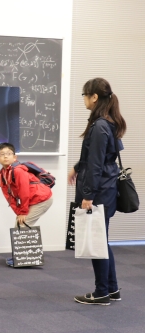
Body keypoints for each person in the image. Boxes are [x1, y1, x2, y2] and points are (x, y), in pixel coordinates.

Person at [68, 77, 126, 305]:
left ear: (94, 97)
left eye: (85, 94)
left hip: (99, 191)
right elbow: (104, 156)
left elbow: (96, 164)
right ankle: (111, 289)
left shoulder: (100, 126)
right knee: (102, 239)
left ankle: (101, 292)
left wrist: (88, 196)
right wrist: (76, 167)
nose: (83, 98)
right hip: (106, 188)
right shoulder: (108, 122)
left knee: (97, 241)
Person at [0, 142, 53, 267]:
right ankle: (21, 257)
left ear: (15, 157)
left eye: (9, 154)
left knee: (23, 224)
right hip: (33, 200)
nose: (6, 156)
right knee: (19, 224)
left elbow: (24, 192)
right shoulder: (1, 174)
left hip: (42, 198)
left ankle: (24, 259)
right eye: (2, 154)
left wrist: (23, 212)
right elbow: (8, 195)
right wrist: (18, 212)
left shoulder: (18, 171)